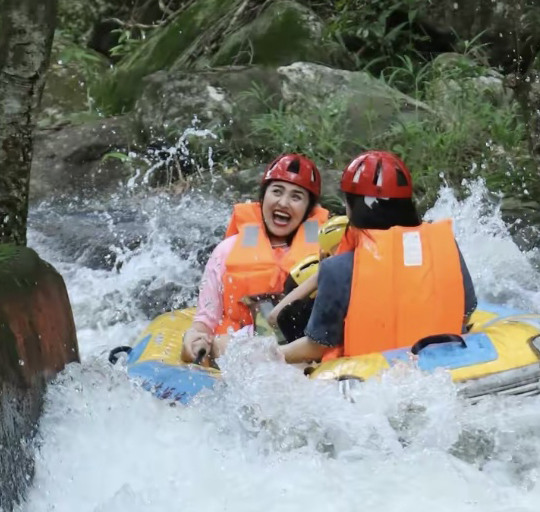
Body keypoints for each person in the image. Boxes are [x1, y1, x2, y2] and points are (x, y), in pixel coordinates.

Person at [278, 150, 477, 364]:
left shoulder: (337, 268)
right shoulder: (447, 246)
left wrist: (273, 355)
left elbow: (316, 346)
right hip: (450, 366)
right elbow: (465, 314)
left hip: (374, 378)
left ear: (353, 208)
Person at [180, 153, 329, 362]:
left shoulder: (327, 254)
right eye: (277, 191)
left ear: (308, 210)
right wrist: (195, 338)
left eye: (296, 197)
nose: (284, 202)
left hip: (301, 355)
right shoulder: (226, 251)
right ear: (263, 198)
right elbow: (205, 320)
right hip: (236, 350)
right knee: (222, 343)